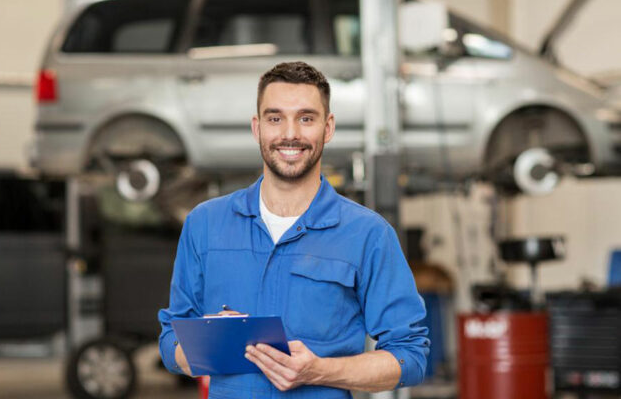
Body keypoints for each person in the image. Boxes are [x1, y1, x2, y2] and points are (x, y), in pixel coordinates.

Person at [158, 61, 428, 398]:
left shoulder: (368, 234)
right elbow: (171, 340)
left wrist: (321, 370)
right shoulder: (205, 224)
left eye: (306, 118)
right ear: (257, 128)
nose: (290, 134)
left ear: (327, 128)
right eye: (275, 119)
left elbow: (410, 356)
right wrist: (216, 343)